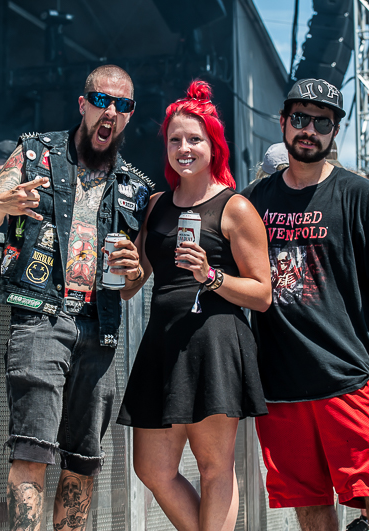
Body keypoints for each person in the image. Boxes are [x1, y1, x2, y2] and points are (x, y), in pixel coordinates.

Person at [0, 65, 153, 531]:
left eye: (123, 105)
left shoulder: (136, 187)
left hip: (100, 329)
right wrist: (2, 204)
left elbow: (131, 286)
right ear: (83, 104)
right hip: (41, 319)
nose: (110, 111)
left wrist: (135, 273)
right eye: (101, 100)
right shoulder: (35, 154)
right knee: (31, 450)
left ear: (130, 115)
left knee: (83, 460)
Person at [242, 78, 369, 531]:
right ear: (283, 122)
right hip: (280, 387)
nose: (310, 130)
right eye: (301, 118)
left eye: (323, 122)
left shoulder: (357, 193)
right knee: (308, 502)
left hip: (348, 378)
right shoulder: (254, 200)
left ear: (334, 132)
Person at [117, 80, 272, 531]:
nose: (183, 149)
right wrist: (126, 268)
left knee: (215, 467)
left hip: (214, 341)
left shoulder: (235, 207)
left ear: (213, 144)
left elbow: (262, 294)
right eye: (174, 140)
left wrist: (212, 276)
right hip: (161, 344)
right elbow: (131, 287)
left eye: (194, 139)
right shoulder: (155, 206)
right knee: (151, 467)